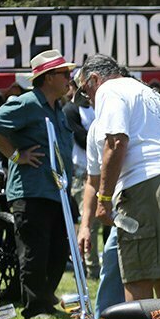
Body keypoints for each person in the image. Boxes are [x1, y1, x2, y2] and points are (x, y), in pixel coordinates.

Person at [75, 54, 160, 314]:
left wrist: (104, 202)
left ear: (94, 79)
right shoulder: (146, 93)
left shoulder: (109, 89)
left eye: (84, 91)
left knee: (138, 279)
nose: (86, 98)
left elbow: (116, 142)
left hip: (144, 186)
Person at [0, 51, 75, 318]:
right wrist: (15, 155)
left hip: (57, 191)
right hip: (31, 190)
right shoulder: (27, 103)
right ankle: (36, 307)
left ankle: (46, 297)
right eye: (65, 74)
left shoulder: (57, 108)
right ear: (48, 78)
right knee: (35, 250)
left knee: (59, 250)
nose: (70, 79)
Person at [63, 75, 101, 279]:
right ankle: (91, 268)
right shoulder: (70, 110)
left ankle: (95, 266)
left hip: (101, 171)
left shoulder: (98, 107)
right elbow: (81, 138)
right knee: (89, 223)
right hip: (82, 174)